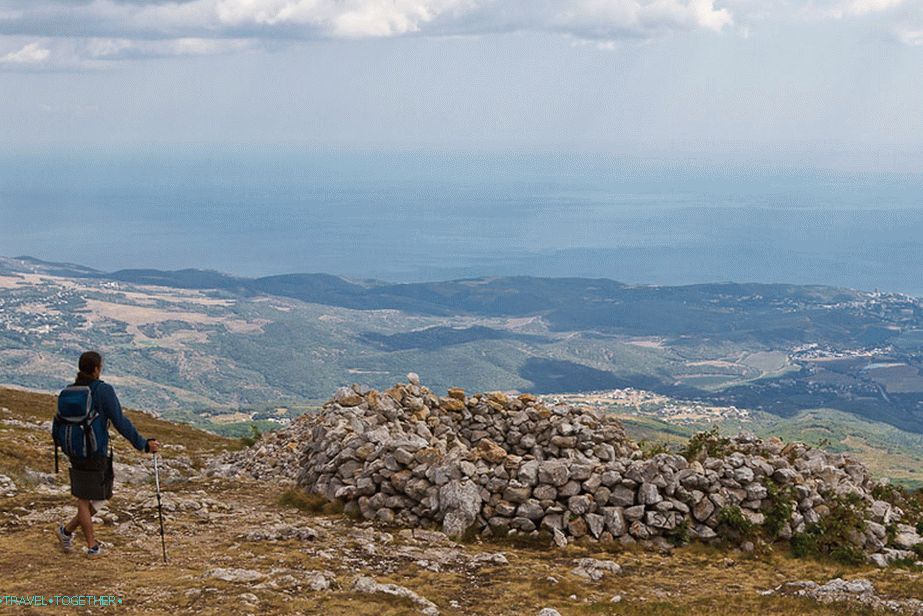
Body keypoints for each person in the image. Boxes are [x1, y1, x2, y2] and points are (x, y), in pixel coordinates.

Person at [55, 351, 160, 558]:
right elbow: (120, 421)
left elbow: (58, 422)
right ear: (96, 369)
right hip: (95, 452)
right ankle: (92, 546)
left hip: (74, 451)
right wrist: (143, 445)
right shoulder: (103, 390)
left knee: (93, 497)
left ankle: (66, 531)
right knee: (90, 499)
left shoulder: (69, 391)